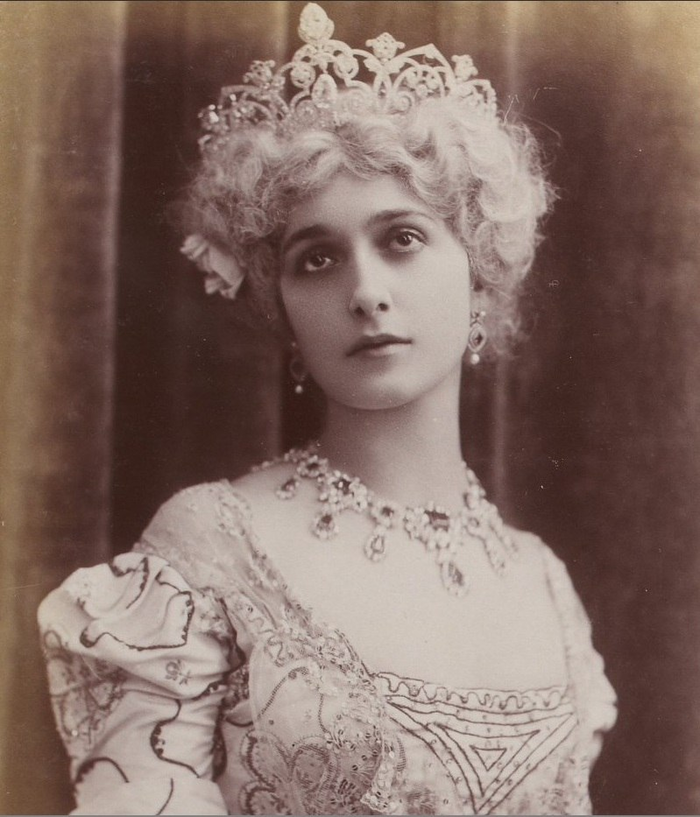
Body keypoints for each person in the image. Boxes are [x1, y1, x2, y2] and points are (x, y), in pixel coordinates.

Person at [38, 4, 616, 814]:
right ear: (281, 307)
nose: (366, 292)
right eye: (317, 259)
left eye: (402, 238)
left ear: (479, 270)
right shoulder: (212, 546)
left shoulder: (541, 581)